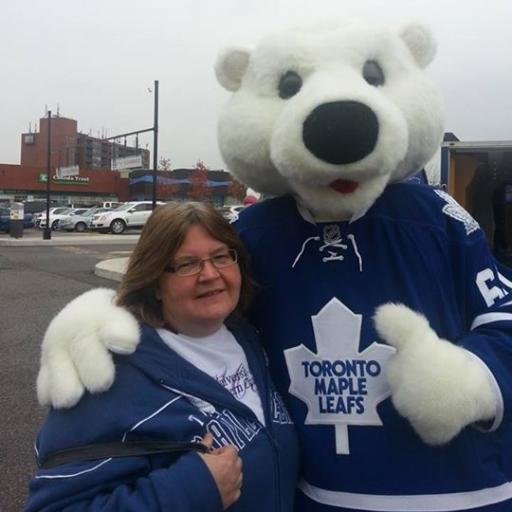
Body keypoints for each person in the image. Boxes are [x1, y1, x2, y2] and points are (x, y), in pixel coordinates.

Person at [25, 202, 299, 512]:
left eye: (221, 256)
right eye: (186, 264)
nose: (210, 274)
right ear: (155, 282)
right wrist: (192, 490)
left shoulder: (252, 339)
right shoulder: (111, 373)